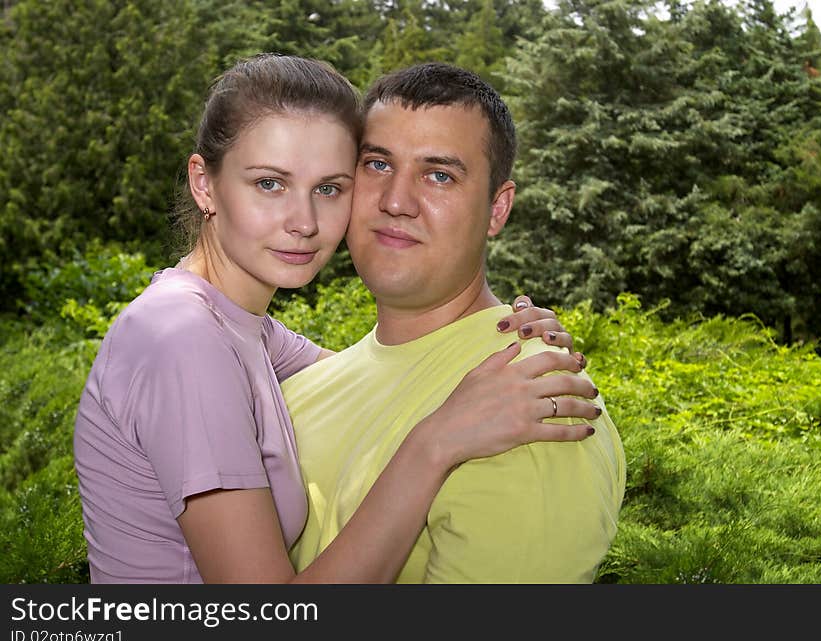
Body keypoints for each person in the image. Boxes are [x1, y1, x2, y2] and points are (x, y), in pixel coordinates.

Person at [72, 54, 600, 584]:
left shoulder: (244, 330)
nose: (302, 222)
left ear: (498, 208)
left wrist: (505, 330)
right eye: (269, 184)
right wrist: (433, 444)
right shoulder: (183, 337)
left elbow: (388, 372)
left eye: (327, 188)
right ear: (204, 183)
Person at [283, 62, 626, 583]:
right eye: (377, 164)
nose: (397, 201)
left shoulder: (532, 407)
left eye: (439, 175)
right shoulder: (304, 382)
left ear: (497, 209)